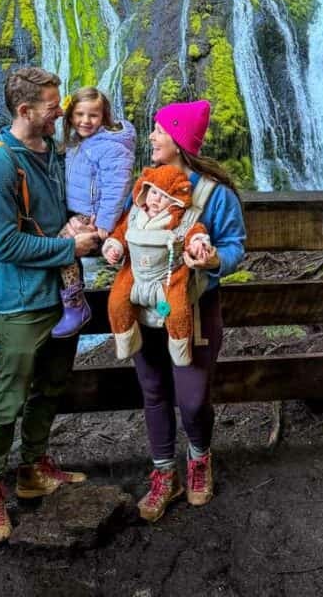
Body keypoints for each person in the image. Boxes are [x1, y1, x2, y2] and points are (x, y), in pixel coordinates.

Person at [0, 67, 100, 548]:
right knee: (9, 396)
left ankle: (33, 468)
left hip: (63, 296)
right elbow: (4, 245)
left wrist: (75, 223)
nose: (61, 109)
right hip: (21, 301)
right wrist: (71, 249)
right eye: (52, 104)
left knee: (50, 385)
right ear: (25, 111)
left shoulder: (53, 153)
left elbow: (53, 214)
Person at [105, 99, 246, 523]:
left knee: (192, 396)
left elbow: (235, 245)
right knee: (153, 392)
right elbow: (127, 230)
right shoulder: (145, 186)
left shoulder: (214, 195)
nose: (151, 137)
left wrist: (213, 259)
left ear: (180, 140)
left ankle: (199, 457)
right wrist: (113, 247)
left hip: (194, 310)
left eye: (160, 131)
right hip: (144, 308)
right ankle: (164, 472)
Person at [103, 164, 213, 366]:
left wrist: (198, 242)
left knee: (178, 310)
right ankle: (126, 341)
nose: (156, 199)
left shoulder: (180, 219)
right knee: (117, 301)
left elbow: (194, 231)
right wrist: (114, 246)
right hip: (135, 272)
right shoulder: (135, 214)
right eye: (153, 192)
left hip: (169, 277)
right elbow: (119, 233)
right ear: (145, 190)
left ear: (175, 201)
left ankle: (181, 350)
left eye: (164, 196)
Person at [53, 86, 136, 338]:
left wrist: (105, 221)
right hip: (78, 211)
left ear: (105, 117)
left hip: (92, 216)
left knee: (61, 245)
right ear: (70, 116)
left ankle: (75, 304)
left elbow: (117, 184)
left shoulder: (110, 145)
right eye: (79, 115)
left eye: (93, 116)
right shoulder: (79, 142)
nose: (85, 121)